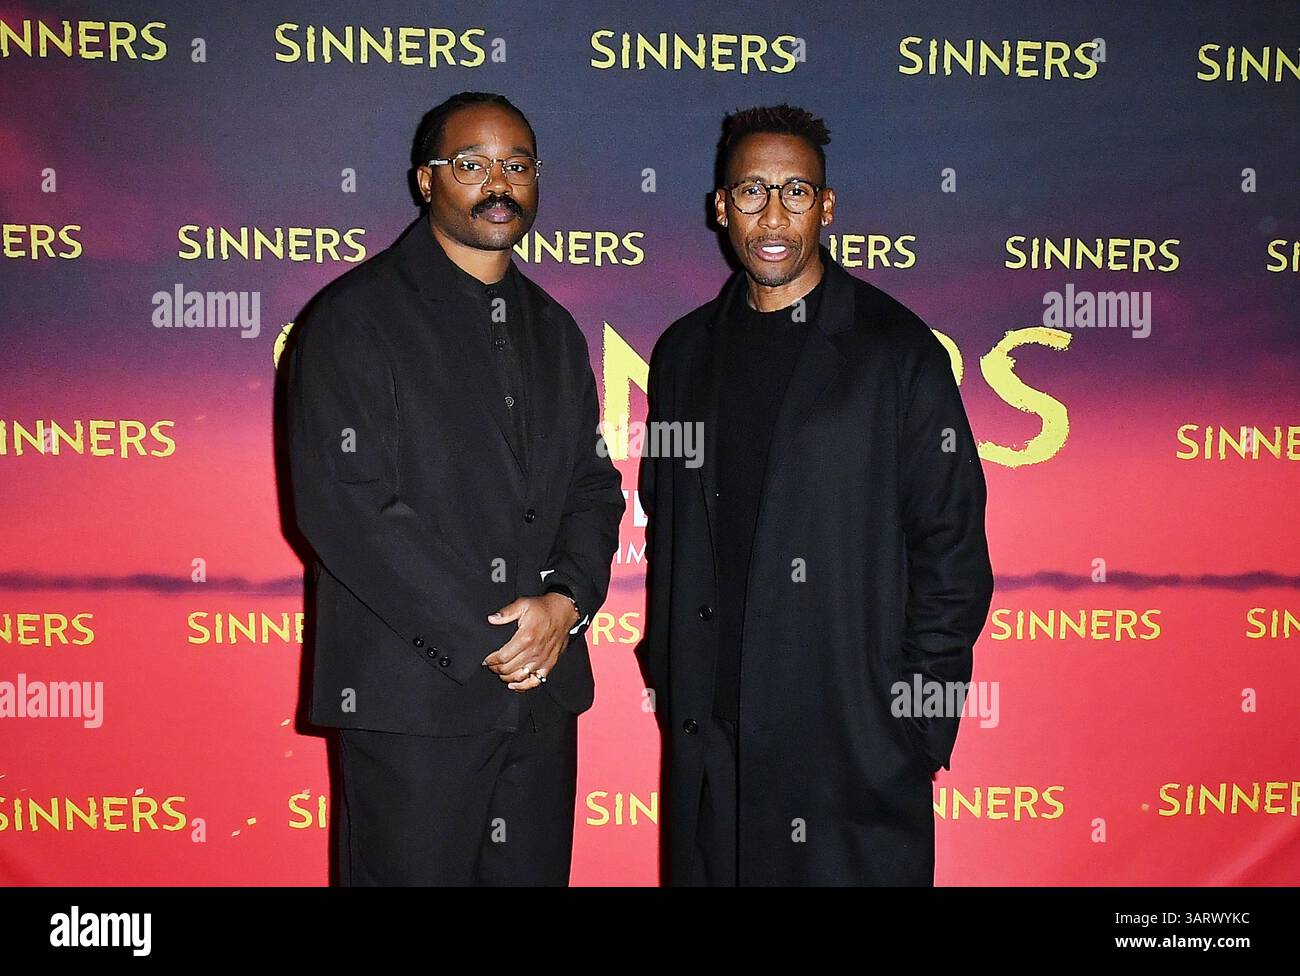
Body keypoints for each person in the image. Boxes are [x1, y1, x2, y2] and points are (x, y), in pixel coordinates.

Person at [638, 104, 994, 885]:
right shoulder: (684, 353)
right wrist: (669, 673)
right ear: (720, 207)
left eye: (795, 192)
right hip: (713, 751)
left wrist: (912, 727)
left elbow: (952, 549)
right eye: (752, 191)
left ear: (826, 208)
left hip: (849, 753)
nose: (773, 215)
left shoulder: (896, 352)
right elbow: (668, 517)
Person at [284, 91, 624, 885]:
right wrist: (494, 635)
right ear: (425, 181)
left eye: (517, 166)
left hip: (541, 700)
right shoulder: (353, 320)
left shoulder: (554, 328)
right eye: (471, 165)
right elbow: (351, 510)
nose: (496, 183)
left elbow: (591, 486)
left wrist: (565, 604)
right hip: (414, 705)